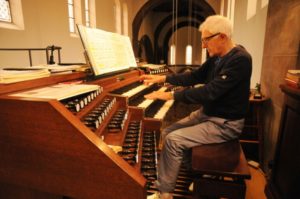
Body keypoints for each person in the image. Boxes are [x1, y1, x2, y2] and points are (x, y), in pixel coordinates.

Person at [141, 15, 252, 199]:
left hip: (225, 123)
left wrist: (171, 95)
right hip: (207, 114)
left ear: (222, 36)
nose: (203, 45)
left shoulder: (240, 59)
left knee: (174, 141)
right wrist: (163, 78)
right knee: (168, 132)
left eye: (206, 40)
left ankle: (165, 193)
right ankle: (196, 173)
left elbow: (210, 92)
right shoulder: (217, 58)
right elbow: (194, 76)